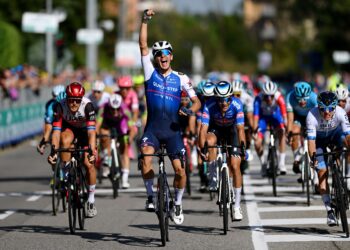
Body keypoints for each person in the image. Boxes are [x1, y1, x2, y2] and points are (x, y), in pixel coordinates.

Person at [139, 9, 201, 225]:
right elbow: (143, 46)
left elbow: (197, 101)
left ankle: (177, 203)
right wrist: (145, 21)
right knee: (146, 158)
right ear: (156, 59)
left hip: (173, 132)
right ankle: (149, 196)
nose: (162, 56)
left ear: (171, 56)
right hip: (153, 131)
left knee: (180, 172)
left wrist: (191, 111)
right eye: (159, 54)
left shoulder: (181, 78)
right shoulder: (150, 74)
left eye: (166, 53)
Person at [48, 82, 98, 218]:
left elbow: (92, 133)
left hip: (85, 131)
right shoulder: (59, 106)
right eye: (71, 100)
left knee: (89, 164)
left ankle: (91, 200)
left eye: (77, 100)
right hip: (69, 129)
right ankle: (66, 174)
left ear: (81, 99)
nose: (74, 103)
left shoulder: (87, 106)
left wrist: (92, 151)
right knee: (64, 140)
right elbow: (56, 132)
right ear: (66, 98)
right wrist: (53, 151)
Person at [198, 81, 246, 221]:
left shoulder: (237, 105)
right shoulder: (209, 105)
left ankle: (237, 207)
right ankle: (213, 177)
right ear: (216, 98)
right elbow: (203, 130)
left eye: (227, 99)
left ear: (231, 97)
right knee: (210, 142)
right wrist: (203, 149)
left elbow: (240, 129)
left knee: (236, 166)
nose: (223, 103)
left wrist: (243, 146)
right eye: (220, 99)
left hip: (232, 131)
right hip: (216, 130)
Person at [306, 91, 350, 226]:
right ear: (318, 107)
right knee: (322, 172)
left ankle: (346, 177)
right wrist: (313, 160)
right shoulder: (311, 115)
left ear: (335, 107)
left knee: (346, 143)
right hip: (319, 141)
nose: (327, 113)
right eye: (323, 109)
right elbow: (311, 143)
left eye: (330, 109)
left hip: (336, 136)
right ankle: (329, 211)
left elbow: (348, 136)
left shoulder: (341, 112)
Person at [96, 94, 132, 188]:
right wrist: (96, 136)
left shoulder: (125, 109)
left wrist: (129, 138)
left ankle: (125, 178)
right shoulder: (103, 108)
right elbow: (97, 124)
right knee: (104, 136)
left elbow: (132, 127)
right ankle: (106, 160)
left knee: (124, 148)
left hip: (121, 124)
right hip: (106, 123)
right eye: (112, 109)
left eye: (117, 109)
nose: (115, 111)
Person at [253, 80, 287, 176]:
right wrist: (255, 130)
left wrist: (286, 126)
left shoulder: (279, 97)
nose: (269, 98)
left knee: (282, 132)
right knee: (257, 142)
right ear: (262, 94)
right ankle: (263, 163)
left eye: (271, 96)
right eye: (266, 96)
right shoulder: (258, 98)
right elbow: (255, 116)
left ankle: (281, 163)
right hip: (263, 119)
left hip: (276, 116)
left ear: (274, 94)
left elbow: (284, 115)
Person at [286, 81, 317, 174]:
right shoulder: (290, 97)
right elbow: (290, 118)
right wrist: (289, 133)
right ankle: (296, 158)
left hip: (311, 116)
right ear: (295, 96)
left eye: (305, 99)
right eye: (299, 99)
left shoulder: (314, 98)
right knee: (294, 131)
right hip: (298, 117)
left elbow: (318, 118)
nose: (302, 101)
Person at [37, 85, 65, 154]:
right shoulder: (50, 106)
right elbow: (48, 126)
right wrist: (44, 141)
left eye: (56, 96)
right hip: (56, 125)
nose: (55, 98)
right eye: (54, 96)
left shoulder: (69, 103)